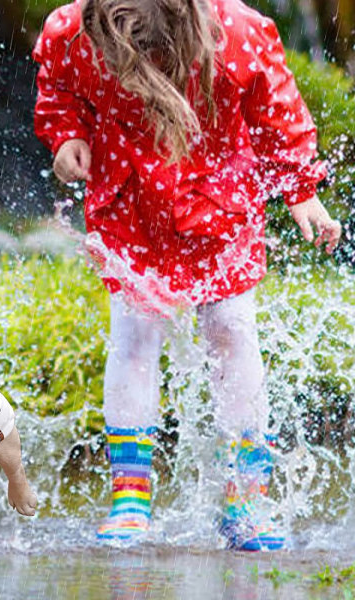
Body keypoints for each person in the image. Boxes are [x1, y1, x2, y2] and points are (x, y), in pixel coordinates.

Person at [32, 0, 342, 551]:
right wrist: (68, 137)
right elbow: (59, 88)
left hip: (219, 196)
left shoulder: (238, 35)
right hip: (132, 201)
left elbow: (278, 111)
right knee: (134, 334)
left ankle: (246, 498)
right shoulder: (75, 32)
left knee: (231, 331)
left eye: (156, 57)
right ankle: (130, 496)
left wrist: (302, 191)